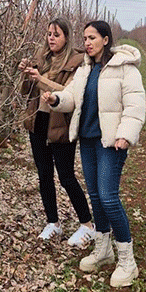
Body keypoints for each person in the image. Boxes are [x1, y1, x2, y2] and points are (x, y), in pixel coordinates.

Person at [43, 21, 145, 287]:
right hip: (88, 141)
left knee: (109, 197)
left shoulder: (124, 67)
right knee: (97, 197)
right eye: (85, 38)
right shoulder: (85, 69)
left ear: (106, 39)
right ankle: (103, 249)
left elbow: (135, 105)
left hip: (111, 142)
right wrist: (55, 100)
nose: (87, 43)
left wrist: (126, 134)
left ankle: (127, 261)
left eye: (92, 38)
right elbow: (71, 97)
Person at [19, 18, 96, 247]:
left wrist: (40, 79)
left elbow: (69, 93)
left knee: (66, 176)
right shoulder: (41, 58)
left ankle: (87, 224)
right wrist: (26, 74)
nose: (51, 39)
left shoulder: (76, 61)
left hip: (60, 124)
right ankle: (53, 222)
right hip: (38, 122)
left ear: (67, 37)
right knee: (44, 174)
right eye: (49, 34)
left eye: (57, 35)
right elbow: (26, 92)